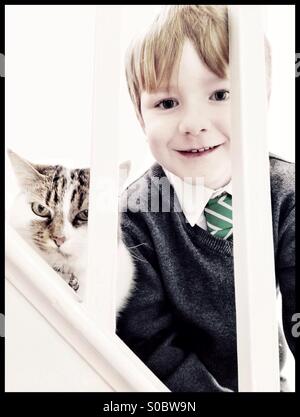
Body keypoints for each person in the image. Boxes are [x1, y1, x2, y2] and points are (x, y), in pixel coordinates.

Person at [116, 5, 295, 392]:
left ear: (260, 102)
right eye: (166, 103)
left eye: (220, 94)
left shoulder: (285, 193)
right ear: (140, 116)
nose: (193, 123)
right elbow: (148, 340)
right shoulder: (134, 215)